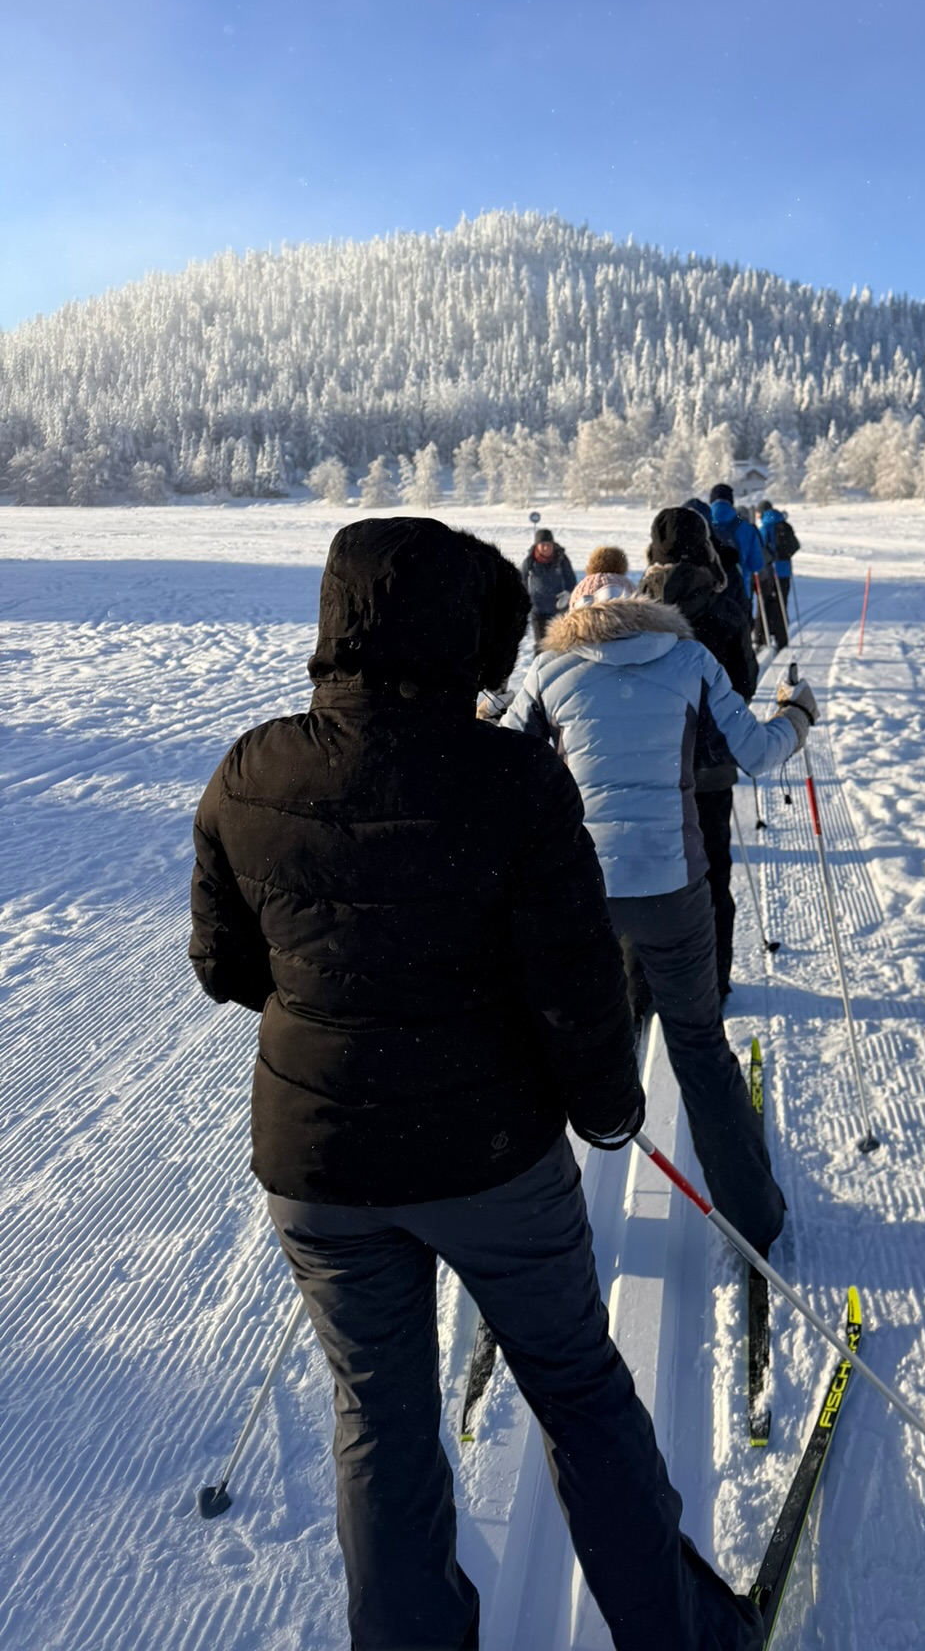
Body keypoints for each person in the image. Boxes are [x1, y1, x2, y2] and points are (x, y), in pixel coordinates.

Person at [189, 517, 763, 1651]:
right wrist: (606, 1103)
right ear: (465, 634)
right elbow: (577, 985)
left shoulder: (251, 768)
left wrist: (338, 1008)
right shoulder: (512, 779)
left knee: (378, 1420)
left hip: (317, 1166)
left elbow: (225, 966)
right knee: (578, 1387)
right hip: (491, 1156)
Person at [495, 581, 818, 1255]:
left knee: (555, 1044)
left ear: (578, 618)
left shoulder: (550, 669)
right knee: (697, 1045)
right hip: (674, 887)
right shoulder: (690, 659)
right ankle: (753, 1222)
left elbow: (502, 766)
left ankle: (533, 1218)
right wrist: (798, 716)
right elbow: (756, 755)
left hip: (578, 893)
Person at [638, 506, 758, 1002]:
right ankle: (713, 980)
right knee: (711, 877)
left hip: (650, 767)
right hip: (709, 769)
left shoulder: (633, 610)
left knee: (648, 877)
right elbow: (744, 686)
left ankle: (642, 987)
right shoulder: (726, 607)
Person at [706, 483, 767, 623]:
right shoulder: (745, 526)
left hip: (710, 593)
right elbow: (756, 564)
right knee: (740, 639)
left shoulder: (704, 524)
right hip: (739, 592)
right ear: (731, 501)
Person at [754, 502, 798, 652]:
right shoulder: (784, 524)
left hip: (769, 574)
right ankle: (782, 638)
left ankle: (761, 637)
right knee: (781, 605)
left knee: (764, 605)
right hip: (784, 572)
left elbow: (759, 549)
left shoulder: (765, 527)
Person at [522, 526, 578, 640]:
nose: (546, 548)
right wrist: (525, 598)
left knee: (559, 643)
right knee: (541, 644)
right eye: (543, 545)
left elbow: (570, 577)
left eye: (549, 544)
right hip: (538, 610)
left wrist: (568, 593)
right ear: (537, 546)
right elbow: (522, 580)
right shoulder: (530, 560)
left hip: (559, 608)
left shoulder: (561, 558)